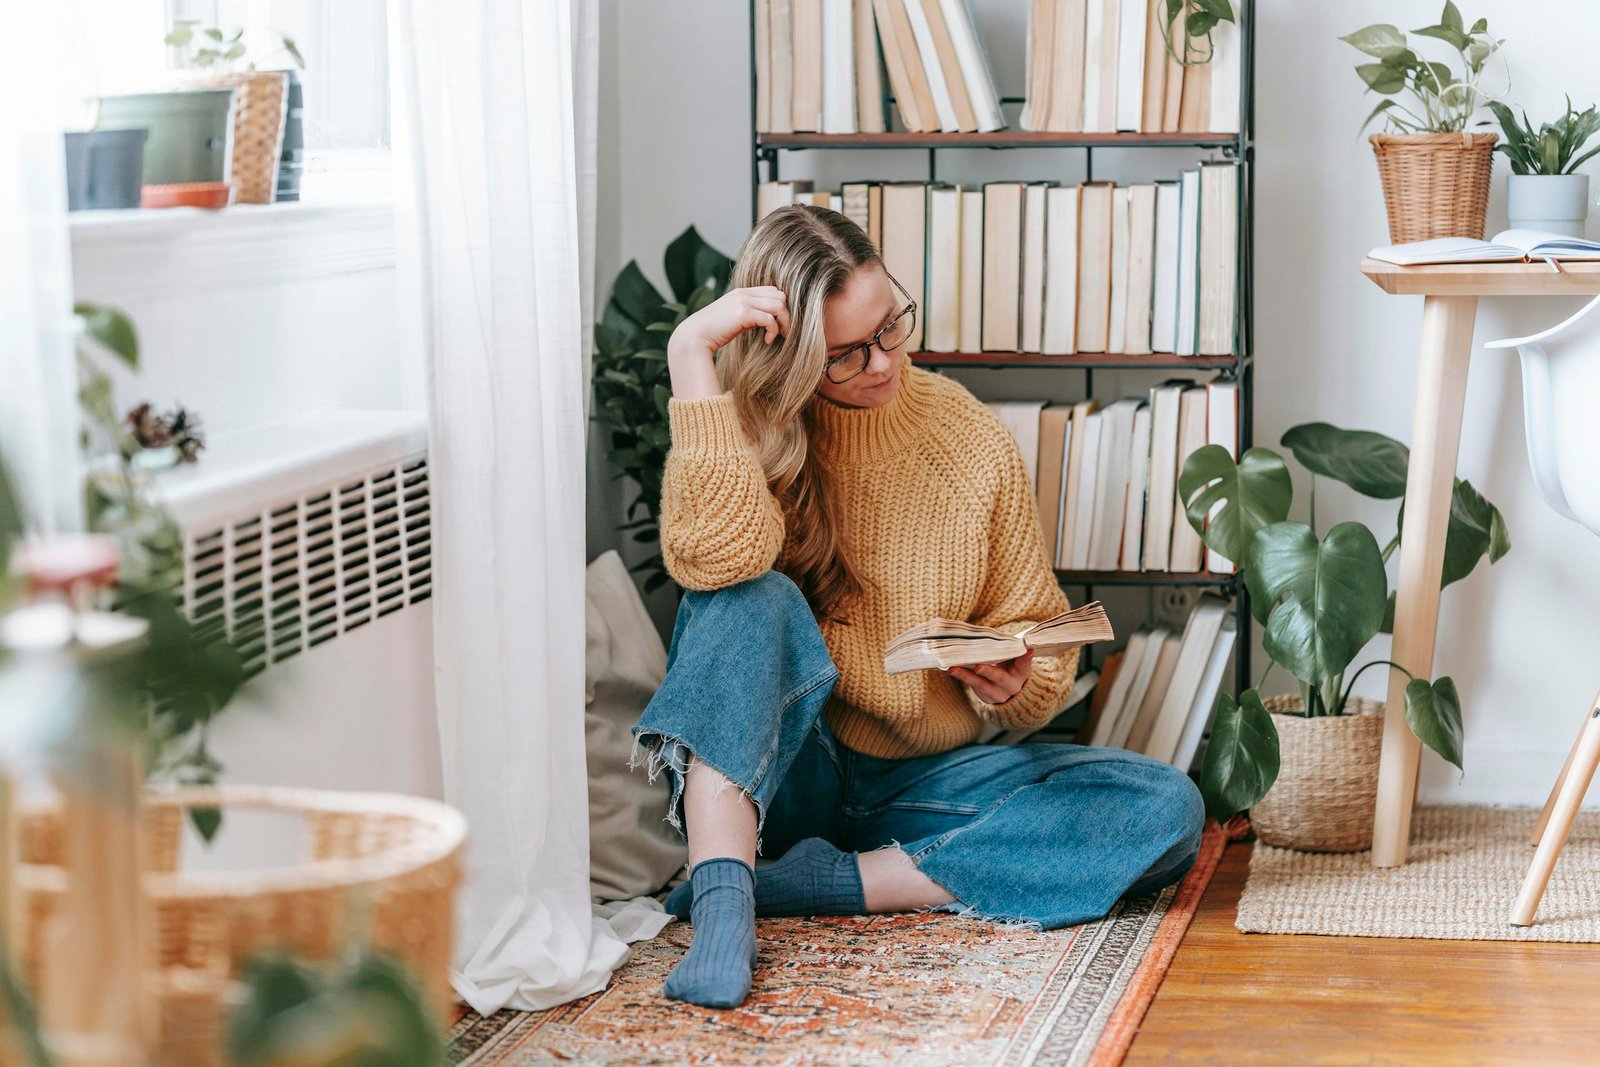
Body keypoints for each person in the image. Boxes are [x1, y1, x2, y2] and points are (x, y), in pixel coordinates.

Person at [630, 204, 1204, 1010]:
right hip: (788, 769)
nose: (882, 361)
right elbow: (715, 560)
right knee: (747, 596)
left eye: (890, 324)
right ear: (789, 356)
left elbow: (1036, 638)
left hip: (923, 780)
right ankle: (725, 908)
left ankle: (816, 882)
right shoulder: (749, 427)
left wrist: (1014, 677)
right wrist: (690, 354)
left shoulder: (968, 439)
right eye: (845, 354)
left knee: (1164, 807)